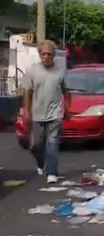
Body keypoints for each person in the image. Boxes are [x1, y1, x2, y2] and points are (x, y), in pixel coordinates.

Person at [21, 40, 70, 184]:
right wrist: (27, 111)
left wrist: (67, 107)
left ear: (53, 55)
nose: (46, 57)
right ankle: (41, 163)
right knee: (36, 145)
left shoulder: (61, 71)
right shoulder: (32, 70)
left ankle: (52, 172)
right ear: (39, 54)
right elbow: (27, 92)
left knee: (53, 143)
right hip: (37, 113)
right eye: (43, 54)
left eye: (49, 54)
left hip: (55, 113)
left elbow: (67, 91)